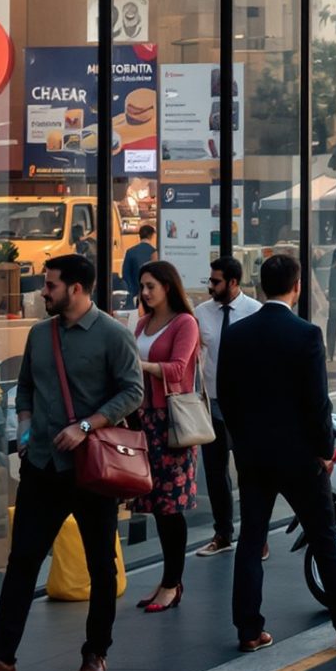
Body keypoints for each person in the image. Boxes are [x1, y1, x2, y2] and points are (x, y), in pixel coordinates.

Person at [0, 255, 144, 671]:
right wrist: (23, 427)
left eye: (51, 284)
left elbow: (133, 391)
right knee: (22, 563)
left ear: (76, 288)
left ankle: (96, 652)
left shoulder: (113, 335)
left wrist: (85, 427)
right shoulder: (41, 335)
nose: (43, 292)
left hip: (92, 469)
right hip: (41, 465)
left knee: (101, 565)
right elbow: (26, 388)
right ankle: (1, 659)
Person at [220, 254, 336, 655]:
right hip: (300, 456)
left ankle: (249, 630)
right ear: (297, 287)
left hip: (253, 456)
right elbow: (317, 402)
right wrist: (325, 450)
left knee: (251, 540)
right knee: (323, 538)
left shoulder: (236, 333)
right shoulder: (306, 334)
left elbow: (226, 396)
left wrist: (242, 443)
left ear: (260, 286)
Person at [128, 261, 200, 613]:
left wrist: (138, 365)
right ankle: (168, 580)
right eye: (142, 286)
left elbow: (178, 367)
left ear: (168, 287)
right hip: (143, 420)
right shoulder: (142, 323)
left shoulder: (185, 322)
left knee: (170, 507)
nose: (144, 293)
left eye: (150, 286)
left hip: (171, 422)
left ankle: (172, 583)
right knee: (156, 505)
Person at [189, 255, 260, 558]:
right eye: (210, 280)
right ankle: (223, 534)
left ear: (233, 282)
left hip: (246, 405)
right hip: (212, 403)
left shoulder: (255, 311)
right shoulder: (202, 313)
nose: (210, 286)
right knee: (216, 472)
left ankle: (256, 535)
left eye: (216, 281)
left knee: (249, 472)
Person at [119, 222, 157, 303]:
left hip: (135, 295)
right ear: (152, 236)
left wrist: (132, 292)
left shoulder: (130, 252)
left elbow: (125, 274)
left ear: (139, 235)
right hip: (151, 296)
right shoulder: (154, 253)